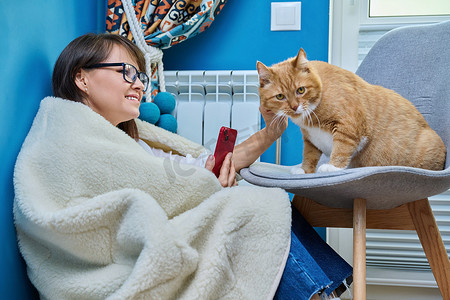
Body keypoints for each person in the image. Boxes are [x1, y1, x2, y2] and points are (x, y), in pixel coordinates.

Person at [14, 33, 352, 299]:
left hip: (164, 227)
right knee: (255, 207)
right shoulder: (68, 135)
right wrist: (208, 185)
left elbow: (200, 169)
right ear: (81, 78)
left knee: (270, 204)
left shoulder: (135, 142)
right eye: (127, 72)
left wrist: (270, 132)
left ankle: (325, 292)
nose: (138, 84)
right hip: (118, 265)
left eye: (140, 76)